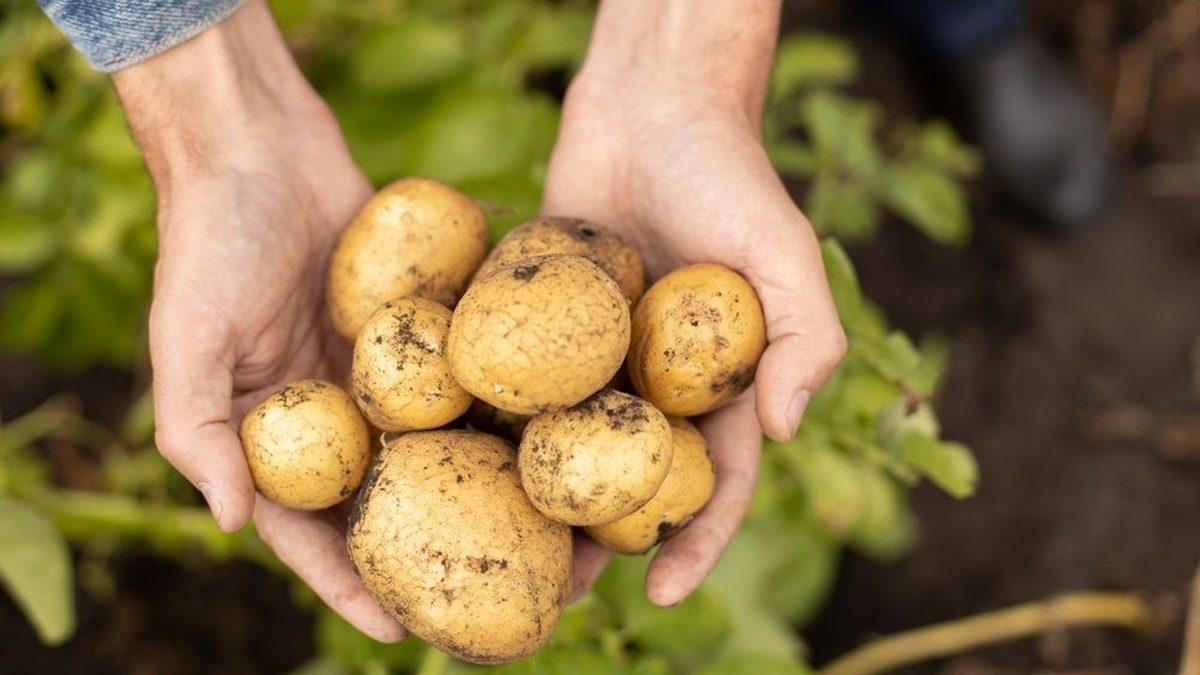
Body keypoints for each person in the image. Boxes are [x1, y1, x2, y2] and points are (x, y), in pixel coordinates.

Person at [31, 0, 1103, 642]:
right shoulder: (444, 374)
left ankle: (974, 25)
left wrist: (689, 62)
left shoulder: (554, 368)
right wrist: (215, 119)